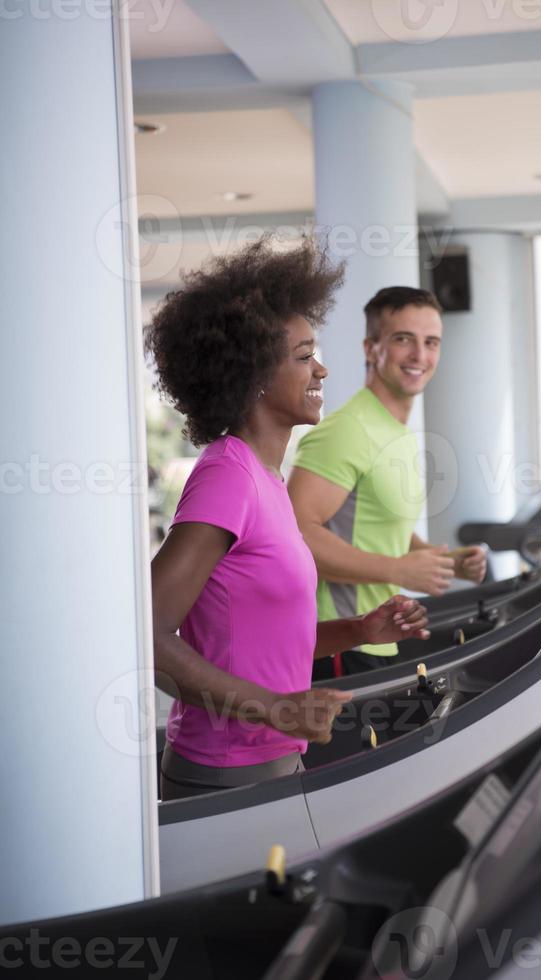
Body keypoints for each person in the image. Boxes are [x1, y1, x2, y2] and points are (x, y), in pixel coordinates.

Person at [146, 241, 430, 800]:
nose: (321, 368)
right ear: (251, 374)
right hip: (223, 768)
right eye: (303, 356)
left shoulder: (267, 479)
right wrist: (276, 708)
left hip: (274, 759)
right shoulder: (228, 477)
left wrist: (359, 630)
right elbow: (144, 636)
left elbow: (263, 642)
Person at [288, 285, 487, 677]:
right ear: (370, 348)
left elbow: (374, 526)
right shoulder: (348, 431)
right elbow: (294, 535)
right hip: (339, 646)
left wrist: (441, 562)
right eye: (403, 340)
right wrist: (398, 569)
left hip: (378, 639)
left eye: (431, 342)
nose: (420, 355)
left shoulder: (394, 432)